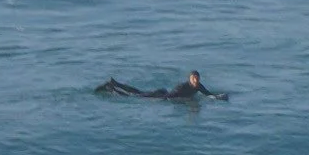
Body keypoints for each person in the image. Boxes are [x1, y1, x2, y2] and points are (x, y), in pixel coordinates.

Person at [97, 70, 227, 100]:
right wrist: (157, 101)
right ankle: (111, 88)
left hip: (163, 93)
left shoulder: (199, 86)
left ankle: (114, 83)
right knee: (134, 95)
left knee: (137, 92)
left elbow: (208, 94)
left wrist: (218, 97)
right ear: (189, 79)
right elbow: (170, 97)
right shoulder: (183, 87)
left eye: (197, 78)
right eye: (193, 79)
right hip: (161, 94)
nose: (196, 81)